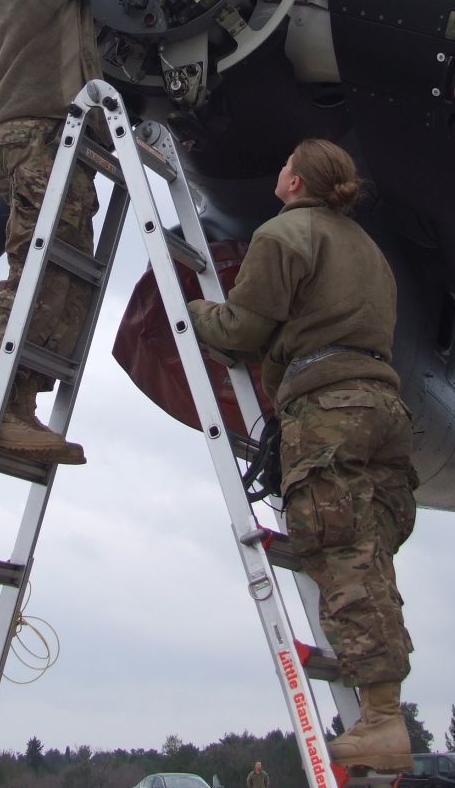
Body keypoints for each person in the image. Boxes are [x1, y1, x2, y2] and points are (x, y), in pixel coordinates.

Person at [187, 139, 416, 772]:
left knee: (340, 552)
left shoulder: (283, 236)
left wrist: (194, 312)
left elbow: (241, 329)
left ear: (296, 183)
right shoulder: (368, 249)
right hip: (384, 408)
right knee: (369, 555)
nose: (280, 169)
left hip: (329, 409)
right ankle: (383, 709)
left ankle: (382, 723)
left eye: (287, 163)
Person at [0, 0, 155, 463]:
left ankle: (17, 406)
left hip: (15, 139)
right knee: (39, 267)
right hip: (44, 135)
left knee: (57, 267)